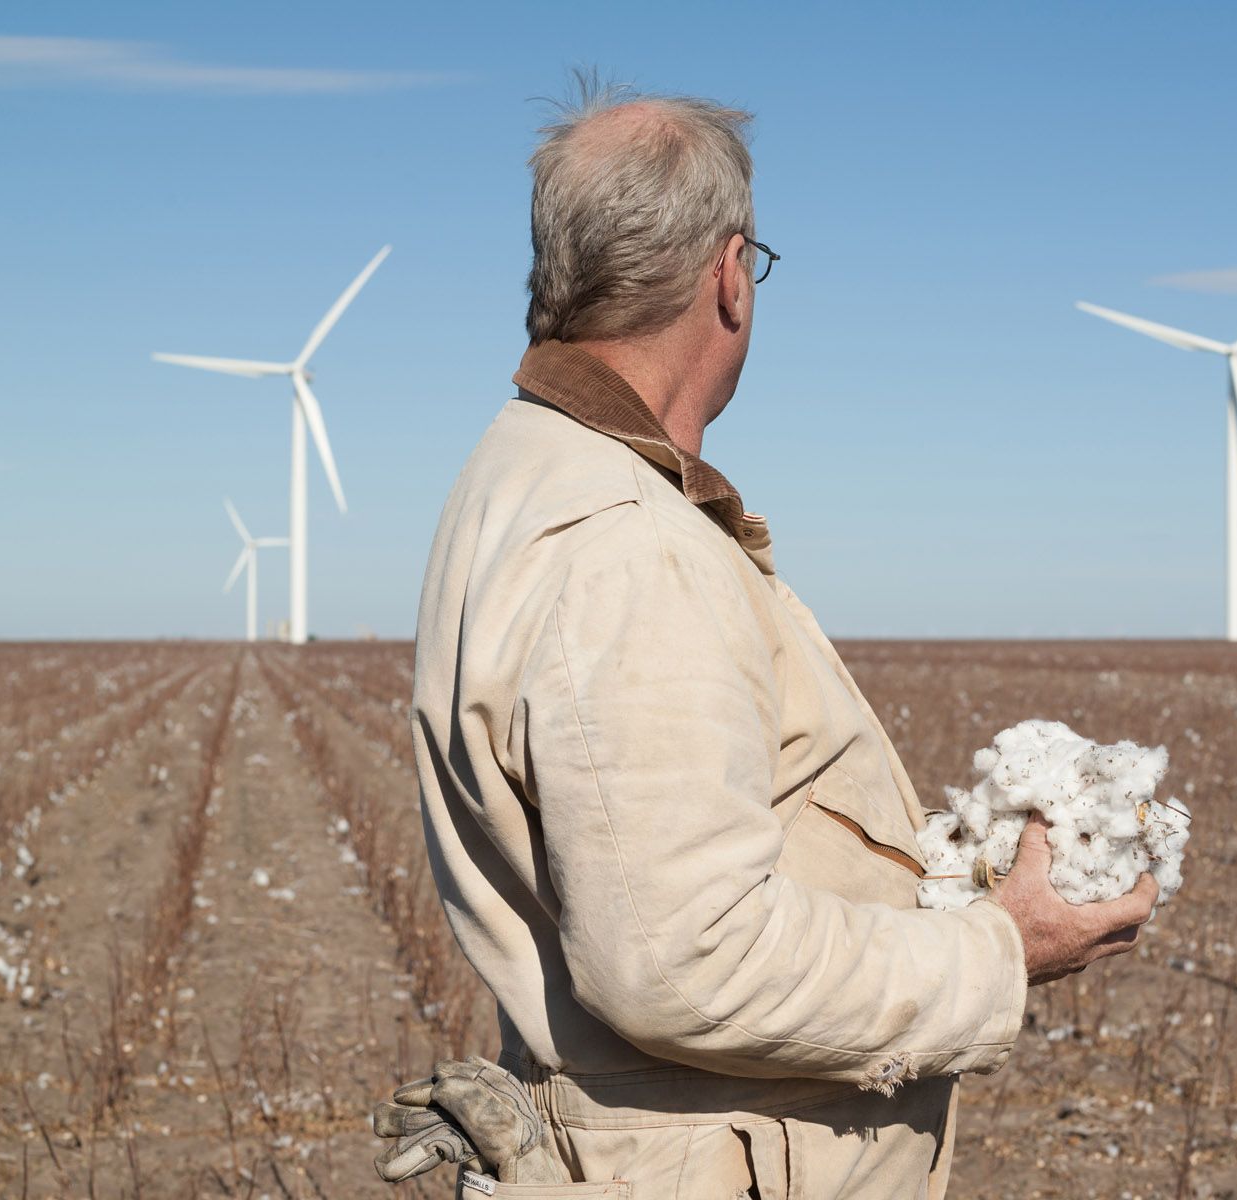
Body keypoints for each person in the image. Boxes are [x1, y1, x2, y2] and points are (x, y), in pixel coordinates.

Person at [406, 77, 1157, 1198]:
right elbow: (681, 960)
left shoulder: (531, 475)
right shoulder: (625, 543)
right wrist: (1004, 948)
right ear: (728, 275)